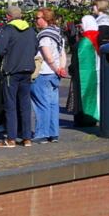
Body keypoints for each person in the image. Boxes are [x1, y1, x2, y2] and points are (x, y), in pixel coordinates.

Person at [0, 6, 37, 148]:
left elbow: (0, 50)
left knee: (10, 105)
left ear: (8, 17)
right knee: (25, 105)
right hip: (27, 70)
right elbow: (35, 48)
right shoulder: (31, 30)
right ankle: (27, 138)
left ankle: (11, 139)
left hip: (11, 71)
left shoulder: (7, 30)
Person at [32, 8, 66, 144]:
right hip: (54, 75)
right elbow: (62, 53)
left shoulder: (44, 36)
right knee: (52, 104)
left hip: (44, 72)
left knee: (41, 104)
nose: (36, 20)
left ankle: (42, 134)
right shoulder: (57, 33)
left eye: (38, 18)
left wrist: (55, 68)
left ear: (45, 19)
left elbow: (47, 56)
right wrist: (61, 68)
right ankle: (53, 133)